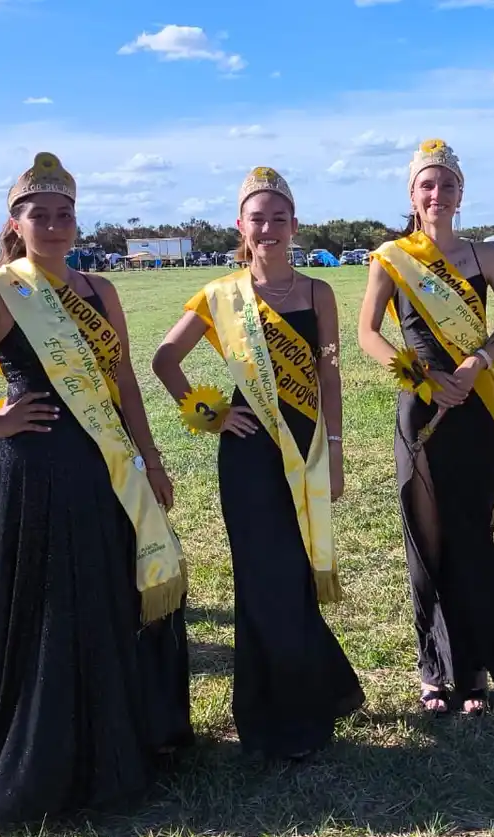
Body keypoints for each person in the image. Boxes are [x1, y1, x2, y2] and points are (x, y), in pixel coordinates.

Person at [0, 152, 193, 824]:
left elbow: (121, 382)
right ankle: (53, 757)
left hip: (107, 463)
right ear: (17, 221)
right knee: (54, 603)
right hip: (37, 468)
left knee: (110, 591)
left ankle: (122, 740)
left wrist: (150, 457)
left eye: (65, 213)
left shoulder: (100, 291)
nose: (56, 225)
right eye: (41, 214)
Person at [153, 167, 363, 759]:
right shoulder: (221, 295)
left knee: (296, 573)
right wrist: (211, 414)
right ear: (241, 227)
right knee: (262, 575)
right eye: (257, 217)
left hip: (307, 446)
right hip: (248, 453)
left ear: (295, 225)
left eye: (278, 217)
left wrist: (339, 451)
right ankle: (274, 717)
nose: (268, 227)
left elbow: (328, 373)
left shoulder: (319, 293)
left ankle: (317, 690)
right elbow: (164, 359)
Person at [357, 140, 494, 715]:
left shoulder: (485, 257)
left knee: (471, 534)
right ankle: (433, 667)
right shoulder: (390, 258)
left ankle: (475, 669)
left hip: (475, 409)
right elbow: (367, 333)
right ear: (411, 194)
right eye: (426, 185)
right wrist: (422, 376)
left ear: (462, 193)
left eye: (448, 185)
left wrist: (477, 362)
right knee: (426, 535)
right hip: (421, 408)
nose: (437, 195)